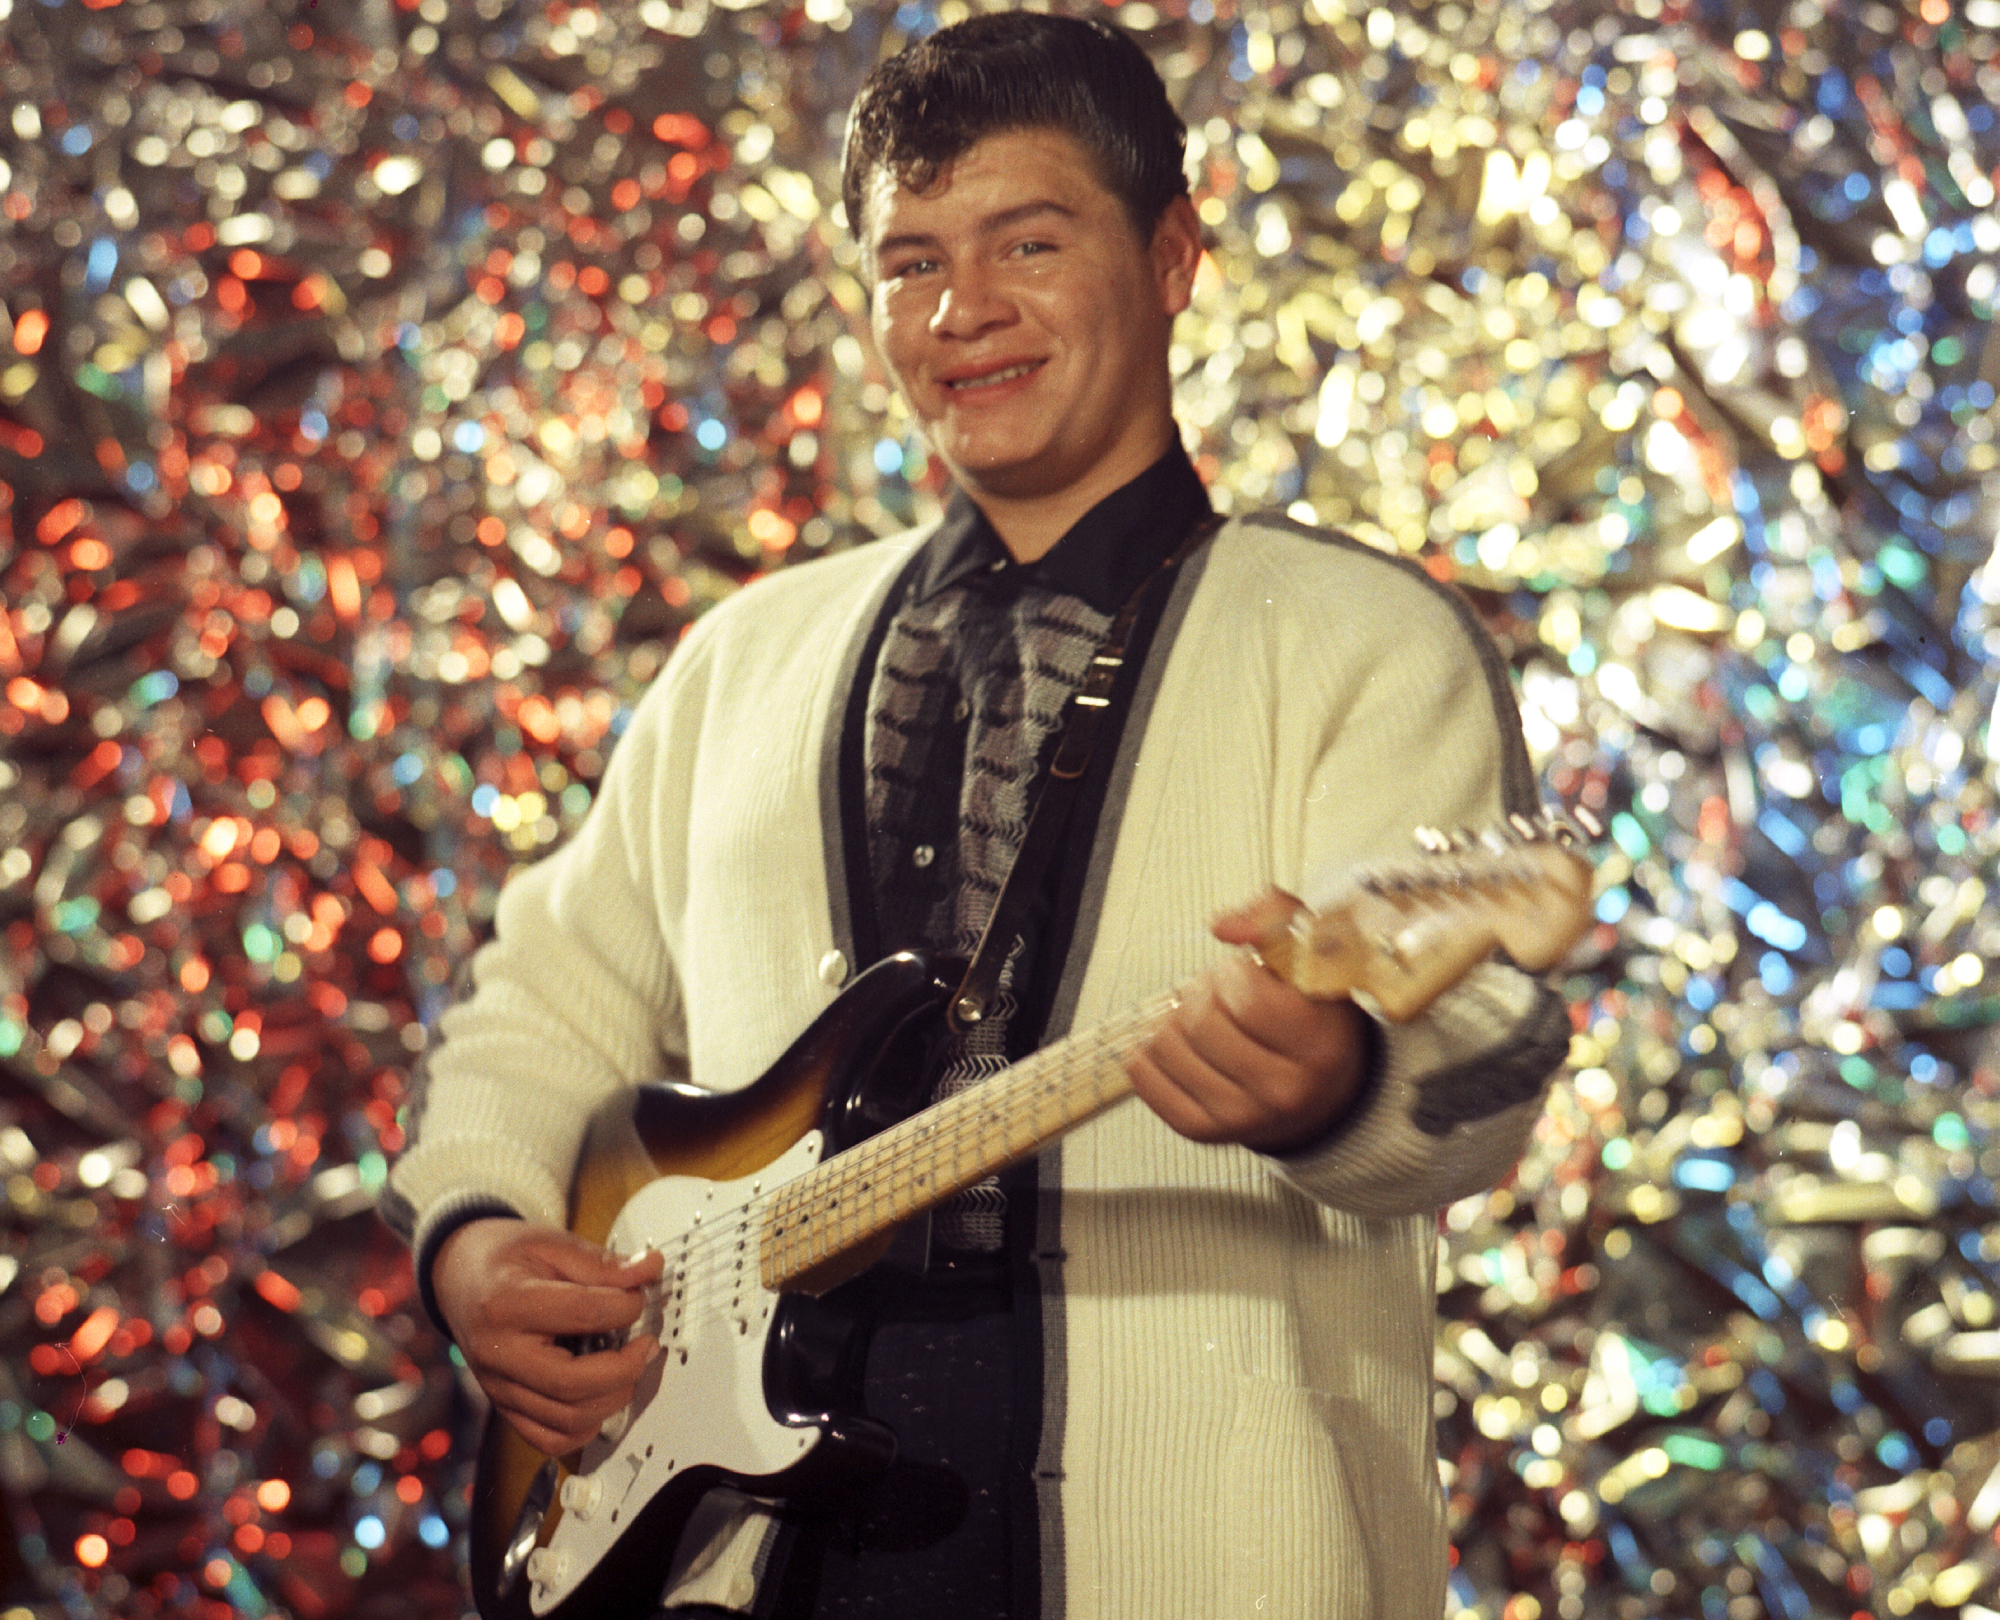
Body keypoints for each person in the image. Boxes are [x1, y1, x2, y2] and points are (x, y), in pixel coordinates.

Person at [384, 13, 1572, 1618]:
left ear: (1170, 257)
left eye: (1029, 239)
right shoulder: (744, 659)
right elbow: (539, 1002)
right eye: (909, 262)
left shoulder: (1367, 643)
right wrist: (476, 1236)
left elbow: (1490, 1062)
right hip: (741, 1559)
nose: (963, 312)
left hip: (1214, 1554)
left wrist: (1340, 1081)